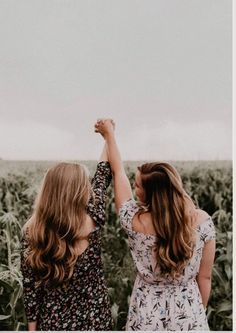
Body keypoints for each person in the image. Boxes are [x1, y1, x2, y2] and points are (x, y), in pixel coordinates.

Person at [95, 118, 216, 331]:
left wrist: (110, 136)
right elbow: (204, 277)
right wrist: (196, 315)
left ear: (150, 194)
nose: (134, 187)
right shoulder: (203, 222)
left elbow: (118, 173)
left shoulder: (134, 221)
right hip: (189, 317)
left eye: (138, 185)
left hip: (145, 317)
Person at [21, 144, 113, 331]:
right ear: (79, 191)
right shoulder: (93, 220)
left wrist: (32, 329)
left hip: (53, 324)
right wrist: (108, 136)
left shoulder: (33, 231)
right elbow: (103, 176)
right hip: (95, 322)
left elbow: (31, 289)